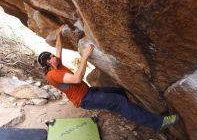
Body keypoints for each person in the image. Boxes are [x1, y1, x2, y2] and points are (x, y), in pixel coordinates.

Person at [37, 25, 178, 131]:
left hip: (89, 92)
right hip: (85, 99)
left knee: (119, 92)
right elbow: (76, 79)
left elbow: (58, 50)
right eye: (52, 57)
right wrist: (84, 57)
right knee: (119, 101)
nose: (55, 57)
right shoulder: (53, 74)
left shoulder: (55, 65)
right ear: (49, 62)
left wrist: (59, 34)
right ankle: (159, 123)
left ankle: (130, 112)